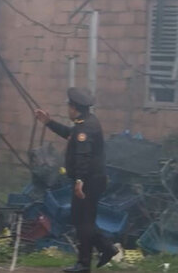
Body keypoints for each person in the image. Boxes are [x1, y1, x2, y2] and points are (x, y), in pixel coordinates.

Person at [35, 87, 118, 272]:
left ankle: (84, 264)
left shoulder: (86, 128)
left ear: (74, 108)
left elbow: (83, 156)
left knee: (84, 222)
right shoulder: (85, 122)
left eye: (69, 107)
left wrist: (80, 181)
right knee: (80, 219)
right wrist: (48, 122)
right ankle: (105, 248)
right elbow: (69, 134)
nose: (68, 110)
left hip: (89, 181)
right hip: (91, 180)